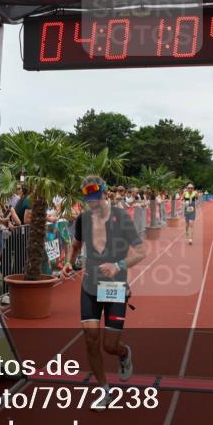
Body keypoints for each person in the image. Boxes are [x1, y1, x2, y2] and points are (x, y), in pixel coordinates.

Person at [67, 176, 146, 411]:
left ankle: (123, 354)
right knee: (90, 339)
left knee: (109, 345)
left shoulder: (121, 218)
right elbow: (76, 245)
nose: (94, 204)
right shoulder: (82, 219)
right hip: (90, 285)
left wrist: (118, 266)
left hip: (114, 286)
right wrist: (70, 263)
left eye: (97, 198)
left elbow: (141, 252)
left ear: (105, 193)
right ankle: (104, 390)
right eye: (89, 200)